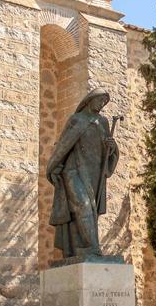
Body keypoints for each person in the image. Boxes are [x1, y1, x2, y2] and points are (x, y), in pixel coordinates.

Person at [46, 88, 119, 260]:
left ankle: (79, 249)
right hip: (73, 171)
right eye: (100, 100)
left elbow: (107, 151)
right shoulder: (76, 119)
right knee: (83, 206)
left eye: (104, 102)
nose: (102, 104)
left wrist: (112, 147)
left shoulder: (103, 122)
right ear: (89, 100)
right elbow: (63, 145)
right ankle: (92, 248)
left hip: (94, 172)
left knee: (89, 211)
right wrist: (54, 167)